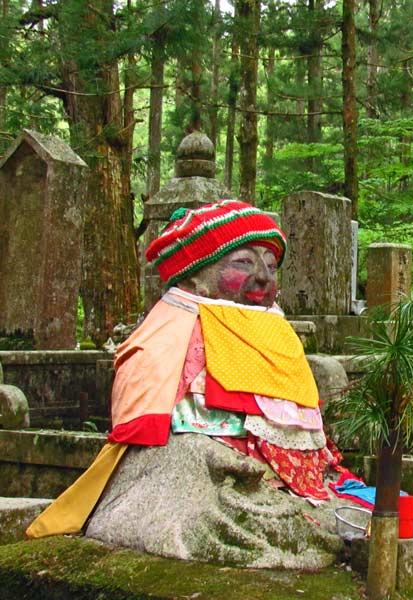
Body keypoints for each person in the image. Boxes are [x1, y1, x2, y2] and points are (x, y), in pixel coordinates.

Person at [27, 201, 353, 566]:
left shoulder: (276, 328)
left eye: (271, 266)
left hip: (280, 469)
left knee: (331, 506)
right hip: (191, 452)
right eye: (244, 262)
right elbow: (145, 411)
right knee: (192, 492)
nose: (263, 276)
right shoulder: (173, 325)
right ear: (197, 275)